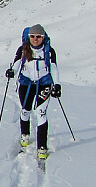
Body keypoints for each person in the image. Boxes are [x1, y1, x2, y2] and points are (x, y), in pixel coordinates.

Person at [4, 24, 61, 159]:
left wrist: (57, 85)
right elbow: (17, 63)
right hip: (26, 83)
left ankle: (42, 147)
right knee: (25, 110)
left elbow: (54, 68)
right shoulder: (23, 49)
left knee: (41, 113)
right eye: (33, 36)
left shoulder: (49, 51)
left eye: (38, 36)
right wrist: (12, 71)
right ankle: (25, 134)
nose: (35, 39)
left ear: (43, 37)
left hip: (44, 84)